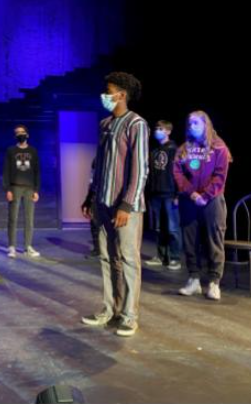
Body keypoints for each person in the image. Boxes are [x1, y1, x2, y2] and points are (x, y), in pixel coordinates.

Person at [80, 72, 148, 337]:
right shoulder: (105, 124)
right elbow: (99, 166)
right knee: (108, 258)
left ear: (121, 94)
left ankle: (130, 316)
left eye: (108, 91)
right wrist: (90, 196)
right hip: (103, 202)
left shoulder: (136, 124)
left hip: (125, 206)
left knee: (129, 258)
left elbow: (140, 169)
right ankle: (110, 309)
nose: (105, 96)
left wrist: (127, 205)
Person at [175, 110, 231, 301]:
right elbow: (178, 172)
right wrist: (191, 193)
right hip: (189, 201)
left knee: (214, 240)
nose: (192, 127)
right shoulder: (183, 148)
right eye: (190, 124)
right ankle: (194, 280)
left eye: (196, 123)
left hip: (211, 201)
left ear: (206, 124)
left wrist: (205, 195)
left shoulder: (219, 147)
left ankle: (214, 283)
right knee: (190, 241)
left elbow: (220, 175)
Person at [145, 120, 183, 271]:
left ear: (168, 131)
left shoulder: (174, 150)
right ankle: (161, 256)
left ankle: (175, 258)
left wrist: (178, 194)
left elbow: (180, 173)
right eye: (156, 128)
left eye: (160, 128)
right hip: (155, 193)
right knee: (159, 227)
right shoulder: (154, 150)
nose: (157, 131)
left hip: (170, 193)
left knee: (172, 227)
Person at [3, 124, 41, 258]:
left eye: (22, 132)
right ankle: (12, 247)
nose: (20, 134)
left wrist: (36, 190)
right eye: (17, 133)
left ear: (27, 134)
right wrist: (7, 189)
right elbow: (6, 171)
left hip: (29, 188)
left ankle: (28, 246)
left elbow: (37, 171)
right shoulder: (10, 151)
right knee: (13, 218)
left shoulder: (33, 151)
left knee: (29, 219)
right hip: (15, 187)